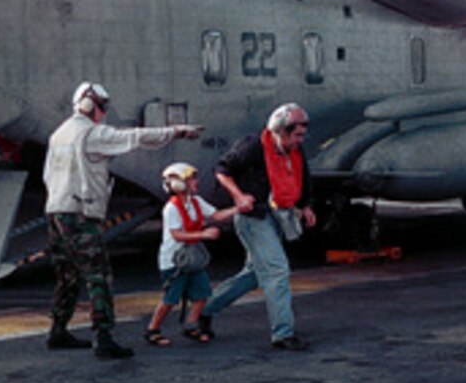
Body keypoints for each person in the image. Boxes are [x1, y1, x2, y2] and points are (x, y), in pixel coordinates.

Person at [44, 81, 203, 360]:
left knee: (67, 274)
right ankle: (103, 337)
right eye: (102, 107)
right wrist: (177, 131)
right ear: (89, 105)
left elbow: (48, 175)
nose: (104, 113)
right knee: (99, 275)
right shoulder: (89, 134)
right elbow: (135, 138)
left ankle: (58, 330)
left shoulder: (59, 134)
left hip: (55, 211)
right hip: (80, 213)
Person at [201, 103, 317, 351]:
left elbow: (302, 176)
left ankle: (204, 310)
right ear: (280, 130)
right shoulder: (252, 146)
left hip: (279, 215)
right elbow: (222, 170)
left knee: (254, 275)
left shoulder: (296, 149)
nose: (301, 139)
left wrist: (305, 205)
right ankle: (283, 334)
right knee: (277, 271)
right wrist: (239, 196)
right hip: (254, 217)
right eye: (297, 133)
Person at [143, 162, 247, 347]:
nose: (195, 182)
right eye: (191, 178)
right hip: (174, 260)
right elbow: (176, 234)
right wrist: (204, 234)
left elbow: (216, 215)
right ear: (178, 184)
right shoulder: (171, 208)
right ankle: (153, 329)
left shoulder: (196, 202)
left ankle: (191, 325)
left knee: (202, 293)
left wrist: (239, 208)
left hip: (192, 258)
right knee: (170, 298)